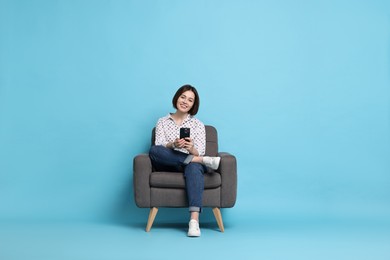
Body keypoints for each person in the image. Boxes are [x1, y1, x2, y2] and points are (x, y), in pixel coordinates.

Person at [149, 84, 220, 237]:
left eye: (190, 100)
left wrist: (191, 148)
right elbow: (159, 146)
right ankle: (202, 160)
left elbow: (199, 150)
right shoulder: (162, 121)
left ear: (193, 105)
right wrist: (173, 144)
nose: (185, 102)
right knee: (154, 150)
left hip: (189, 165)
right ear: (177, 98)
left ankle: (194, 222)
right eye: (183, 97)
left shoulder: (198, 125)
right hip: (167, 162)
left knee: (194, 166)